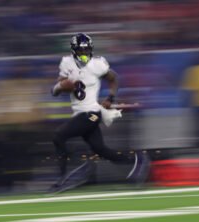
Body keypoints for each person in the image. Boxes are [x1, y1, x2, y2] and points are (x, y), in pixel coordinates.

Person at [50, 33, 150, 193]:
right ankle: (136, 159)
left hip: (92, 113)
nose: (84, 54)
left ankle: (62, 178)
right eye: (81, 51)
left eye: (87, 50)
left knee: (58, 136)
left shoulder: (97, 64)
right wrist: (61, 86)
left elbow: (113, 78)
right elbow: (55, 89)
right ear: (74, 50)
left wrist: (110, 97)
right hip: (79, 114)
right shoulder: (66, 63)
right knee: (101, 150)